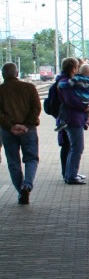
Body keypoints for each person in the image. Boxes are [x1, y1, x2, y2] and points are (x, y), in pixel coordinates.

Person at [0, 61, 40, 205]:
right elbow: (36, 108)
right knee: (31, 159)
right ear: (17, 74)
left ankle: (20, 191)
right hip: (28, 131)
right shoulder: (29, 88)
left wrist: (10, 126)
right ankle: (27, 185)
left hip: (7, 132)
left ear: (3, 75)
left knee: (13, 162)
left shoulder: (1, 90)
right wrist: (26, 125)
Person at [56, 57, 89, 185]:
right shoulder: (66, 82)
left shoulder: (65, 81)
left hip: (72, 117)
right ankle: (71, 176)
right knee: (77, 147)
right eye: (77, 67)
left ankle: (70, 173)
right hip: (72, 118)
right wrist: (84, 106)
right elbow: (71, 100)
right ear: (73, 68)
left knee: (73, 147)